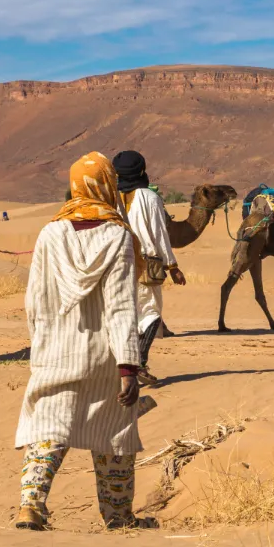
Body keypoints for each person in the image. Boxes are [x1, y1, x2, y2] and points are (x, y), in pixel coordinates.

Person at [13, 152, 146, 531]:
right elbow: (121, 306)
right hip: (103, 357)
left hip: (56, 351)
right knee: (114, 435)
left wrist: (39, 343)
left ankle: (30, 507)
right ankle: (118, 516)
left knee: (48, 429)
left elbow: (34, 298)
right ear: (108, 186)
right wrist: (128, 366)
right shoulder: (119, 235)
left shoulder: (50, 233)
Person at [112, 150, 184, 385]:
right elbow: (160, 233)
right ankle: (138, 364)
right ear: (141, 170)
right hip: (145, 262)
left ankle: (124, 366)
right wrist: (172, 265)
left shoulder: (110, 197)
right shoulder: (149, 198)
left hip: (116, 264)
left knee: (126, 314)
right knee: (151, 313)